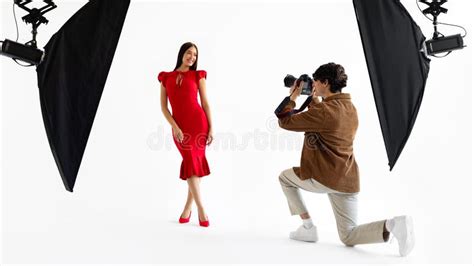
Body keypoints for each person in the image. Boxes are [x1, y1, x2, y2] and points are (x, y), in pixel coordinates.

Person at [276, 62, 415, 256]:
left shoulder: (324, 112)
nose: (313, 85)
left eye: (315, 81)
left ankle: (308, 227)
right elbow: (324, 122)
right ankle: (393, 224)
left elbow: (286, 121)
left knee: (284, 178)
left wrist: (293, 97)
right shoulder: (349, 107)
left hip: (324, 177)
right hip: (347, 179)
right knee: (348, 236)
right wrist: (314, 101)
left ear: (324, 82)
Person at [158, 42, 213, 227]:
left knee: (193, 164)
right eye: (189, 53)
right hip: (179, 127)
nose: (192, 57)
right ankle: (199, 209)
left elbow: (205, 104)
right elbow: (164, 108)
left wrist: (211, 128)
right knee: (191, 161)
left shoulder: (198, 76)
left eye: (195, 55)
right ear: (182, 53)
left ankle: (191, 209)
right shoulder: (166, 77)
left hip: (199, 124)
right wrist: (175, 127)